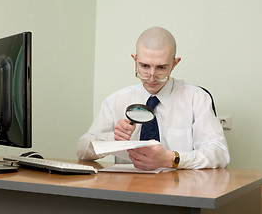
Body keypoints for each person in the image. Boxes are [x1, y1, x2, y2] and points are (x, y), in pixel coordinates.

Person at [76, 27, 230, 170]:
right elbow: (82, 149)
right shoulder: (116, 101)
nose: (151, 76)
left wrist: (171, 159)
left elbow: (220, 153)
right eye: (144, 66)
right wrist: (113, 138)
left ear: (174, 64)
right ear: (135, 60)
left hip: (179, 191)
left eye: (161, 68)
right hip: (127, 192)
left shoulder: (196, 99)